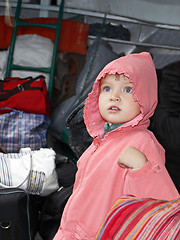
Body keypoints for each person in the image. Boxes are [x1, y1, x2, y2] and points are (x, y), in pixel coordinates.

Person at [53, 52, 179, 240]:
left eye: (127, 90)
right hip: (73, 230)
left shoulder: (142, 142)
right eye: (106, 89)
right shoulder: (103, 137)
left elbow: (163, 204)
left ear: (145, 97)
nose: (114, 97)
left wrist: (142, 169)